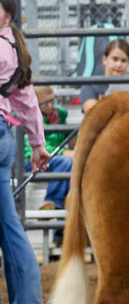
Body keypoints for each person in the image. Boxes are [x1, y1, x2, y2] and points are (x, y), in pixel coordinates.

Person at [0, 0, 49, 304]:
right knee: (8, 225)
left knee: (8, 225)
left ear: (7, 15)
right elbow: (28, 101)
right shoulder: (15, 49)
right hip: (4, 136)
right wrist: (37, 144)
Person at [24, 86, 74, 216]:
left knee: (71, 164)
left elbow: (68, 139)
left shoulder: (60, 114)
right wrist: (62, 152)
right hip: (34, 160)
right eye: (45, 103)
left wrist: (73, 136)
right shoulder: (30, 117)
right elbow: (30, 147)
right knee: (66, 162)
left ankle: (60, 228)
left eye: (52, 100)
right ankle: (52, 201)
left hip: (56, 160)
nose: (51, 105)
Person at [80, 39, 129, 114]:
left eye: (123, 61)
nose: (119, 65)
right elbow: (93, 115)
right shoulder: (90, 86)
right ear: (105, 59)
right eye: (115, 59)